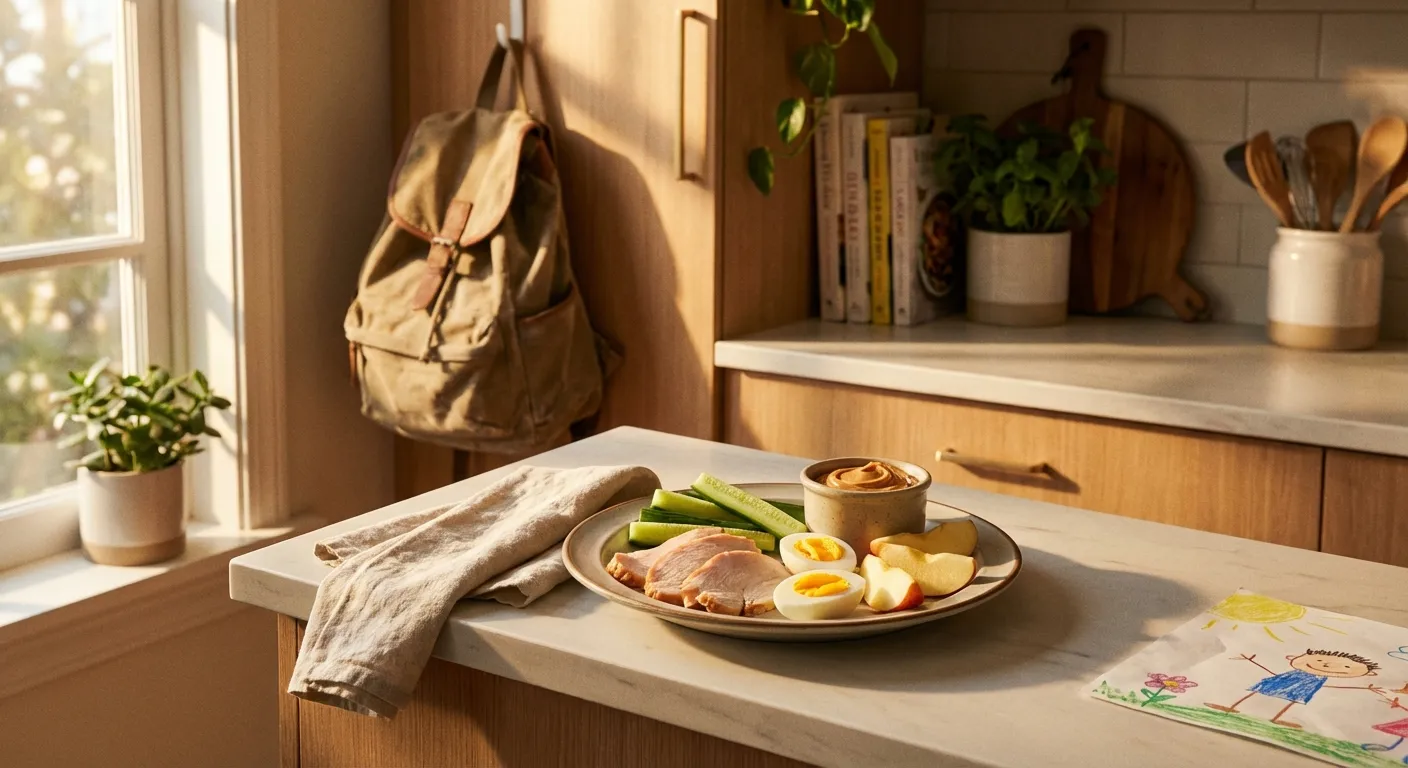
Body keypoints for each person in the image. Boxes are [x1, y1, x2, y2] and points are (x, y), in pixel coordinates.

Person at [1206, 649, 1380, 729]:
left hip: (1305, 688)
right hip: (1282, 681)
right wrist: (1252, 661)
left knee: (1291, 700)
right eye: (1320, 661)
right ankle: (1232, 707)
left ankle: (1276, 719)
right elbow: (1272, 673)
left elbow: (1333, 685)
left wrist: (1366, 688)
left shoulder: (1320, 679)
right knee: (1258, 690)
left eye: (1347, 668)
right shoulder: (1294, 672)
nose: (1326, 664)